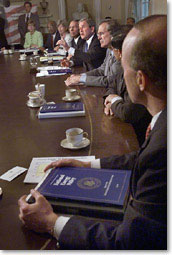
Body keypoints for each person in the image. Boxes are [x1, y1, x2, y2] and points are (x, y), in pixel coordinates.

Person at [18, 15, 167, 249]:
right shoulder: (162, 129)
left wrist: (51, 222)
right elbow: (142, 158)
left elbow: (129, 242)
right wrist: (88, 165)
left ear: (140, 80)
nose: (118, 69)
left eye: (123, 65)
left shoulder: (163, 147)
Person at [103, 29, 152, 146]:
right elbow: (110, 88)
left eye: (113, 50)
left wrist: (114, 101)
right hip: (123, 129)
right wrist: (110, 102)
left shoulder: (138, 74)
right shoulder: (121, 67)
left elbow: (128, 113)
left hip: (138, 136)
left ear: (119, 52)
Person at [64, 19, 119, 87]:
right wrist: (81, 76)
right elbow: (101, 70)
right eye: (98, 34)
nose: (98, 37)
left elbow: (109, 81)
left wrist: (81, 78)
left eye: (101, 34)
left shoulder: (119, 52)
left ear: (112, 34)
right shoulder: (109, 50)